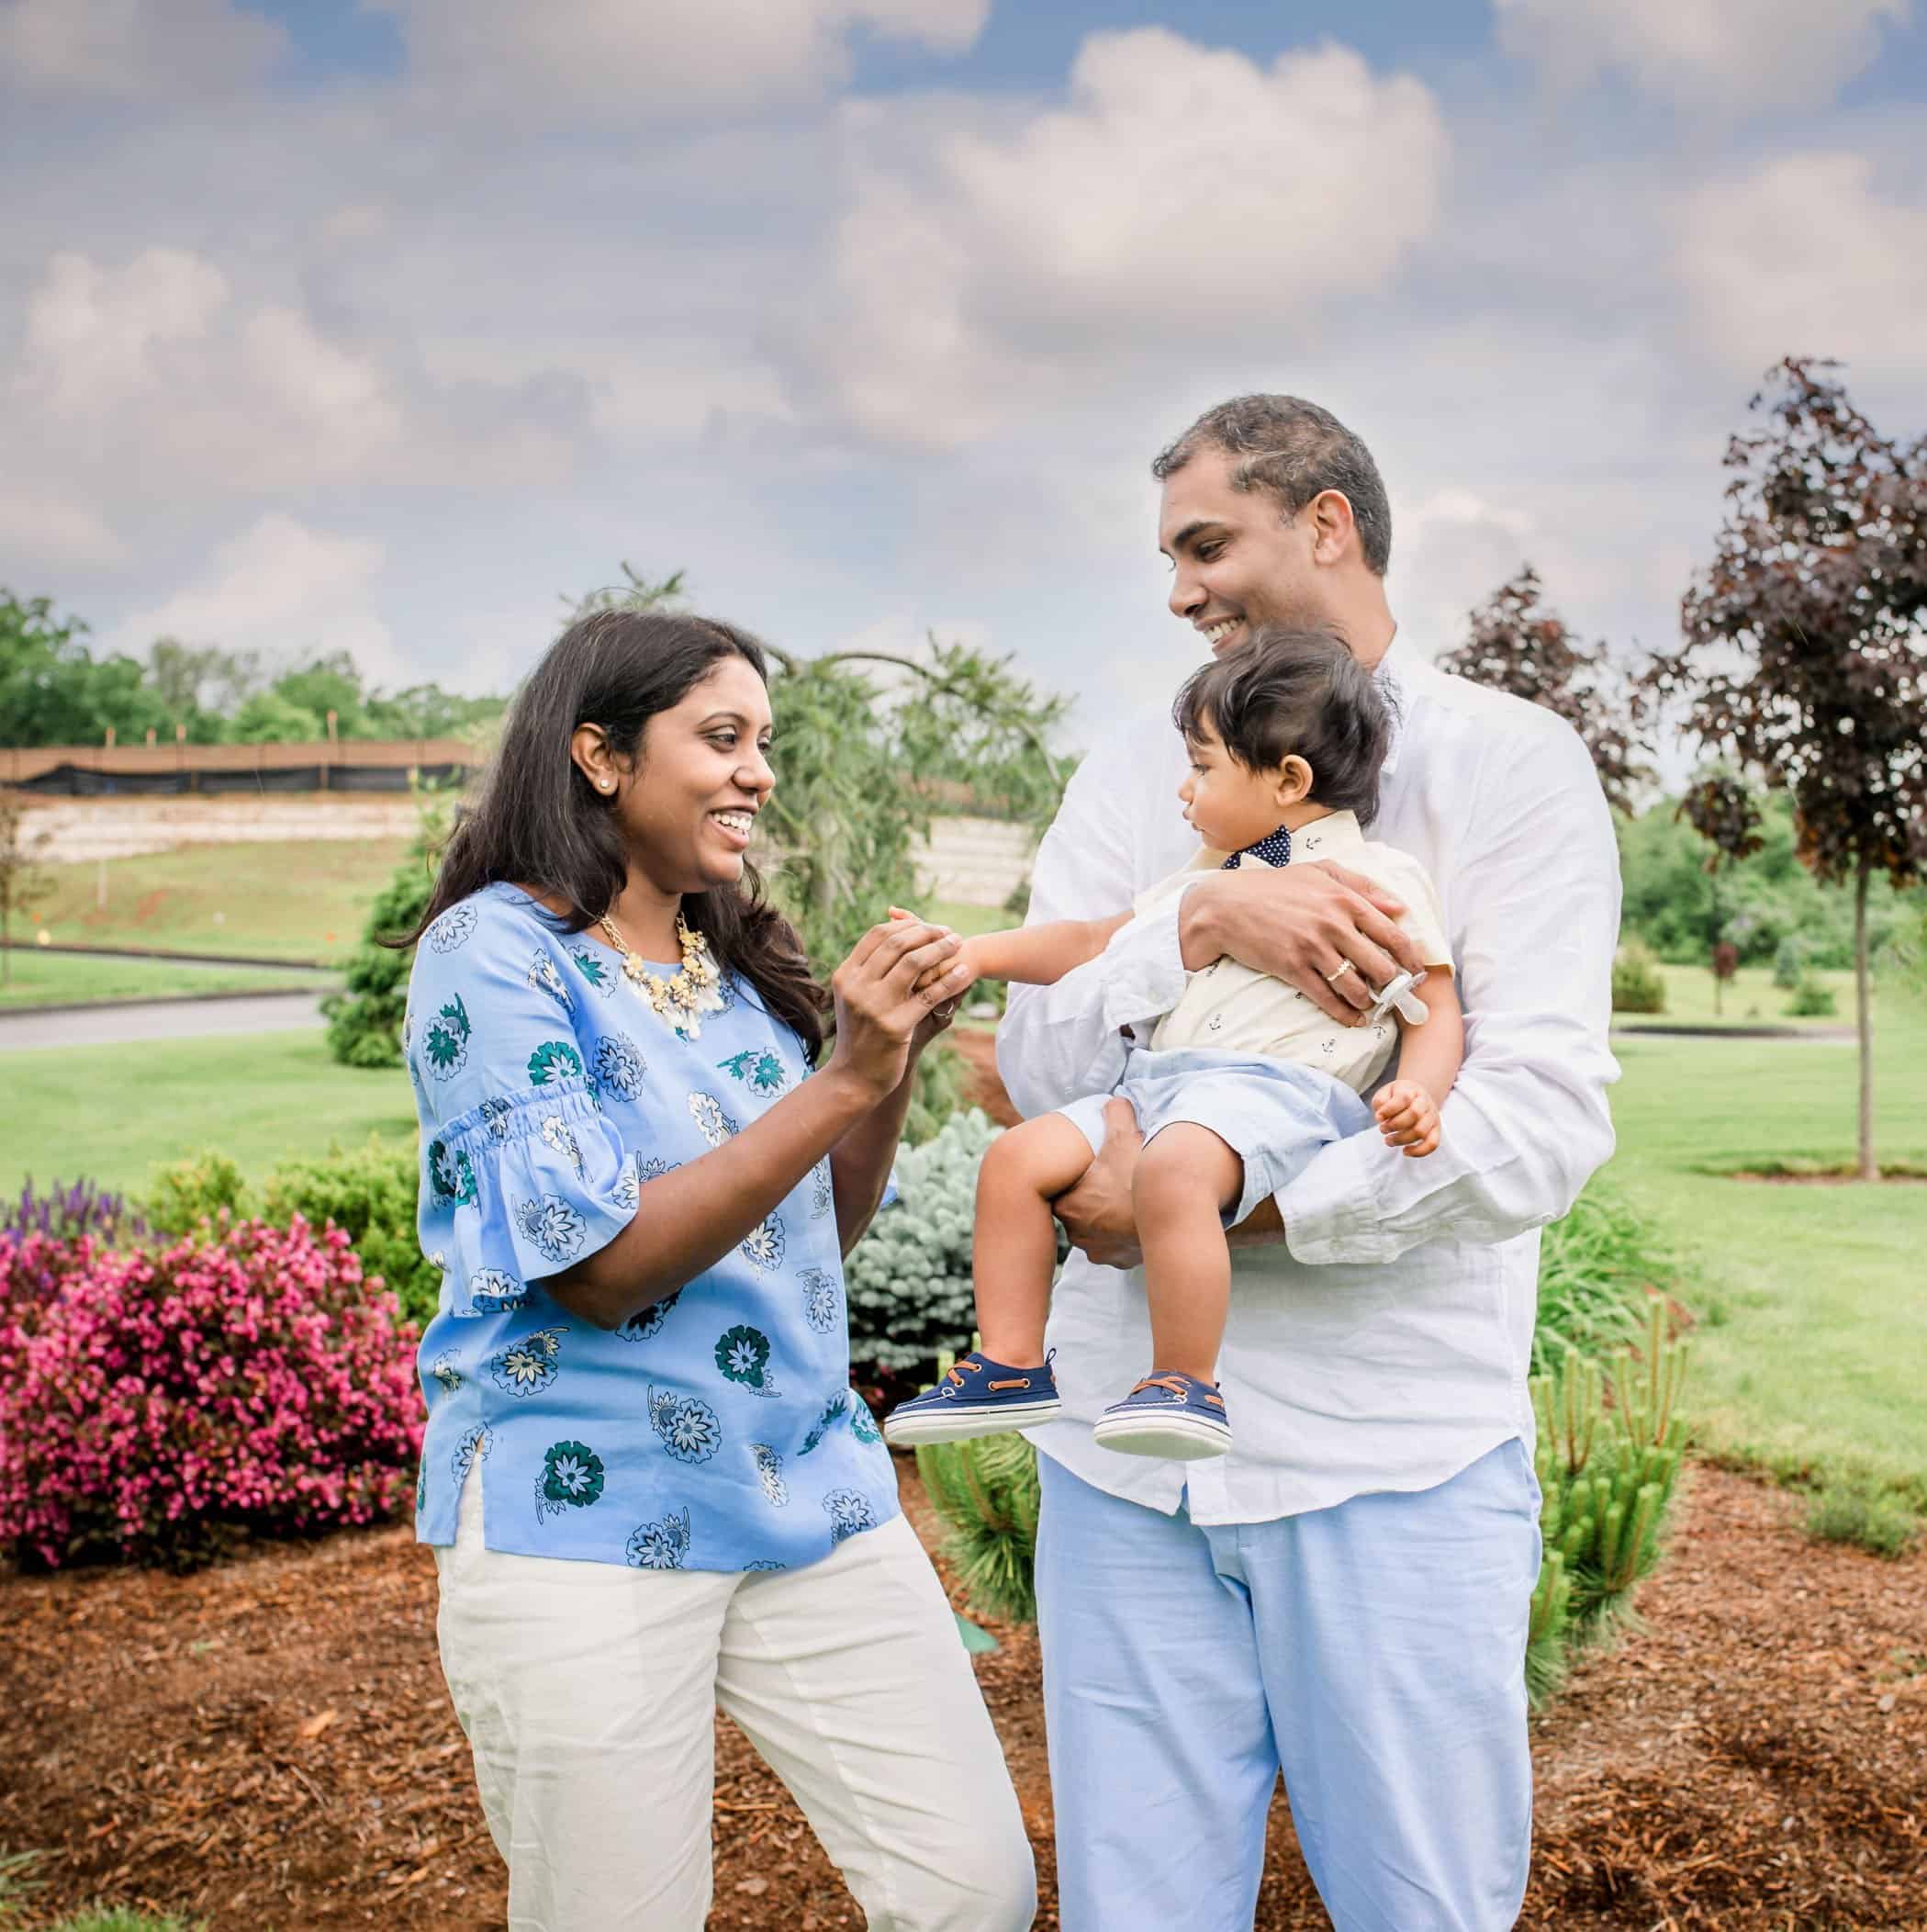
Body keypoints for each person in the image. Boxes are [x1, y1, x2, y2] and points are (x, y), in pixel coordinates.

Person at [997, 396, 1622, 1929]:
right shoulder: (1135, 775)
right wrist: (1194, 921)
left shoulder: (1510, 770)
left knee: (1424, 1908)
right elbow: (1035, 1057)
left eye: (1205, 542)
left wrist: (1193, 1199)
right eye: (1167, 554)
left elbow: (1527, 1118)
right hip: (1115, 1470)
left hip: (1386, 1462)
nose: (1176, 588)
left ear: (1325, 521)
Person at [399, 610, 1034, 1932]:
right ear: (600, 755)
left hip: (808, 1489)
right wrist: (844, 1076)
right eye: (722, 738)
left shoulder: (739, 962)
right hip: (581, 1515)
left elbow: (823, 1232)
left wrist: (887, 1063)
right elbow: (602, 1274)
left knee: (970, 1888)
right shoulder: (495, 954)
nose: (758, 773)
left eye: (766, 744)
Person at [884, 627, 1460, 1460]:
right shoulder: (1205, 879)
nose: (1185, 794)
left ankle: (1185, 1381)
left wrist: (1420, 1093)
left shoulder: (1382, 881)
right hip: (1156, 1087)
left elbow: (1431, 1007)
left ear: (1288, 779)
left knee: (1176, 1169)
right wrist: (971, 954)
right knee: (1013, 1160)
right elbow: (1089, 940)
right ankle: (1010, 1362)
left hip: (1275, 1095)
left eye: (1203, 767)